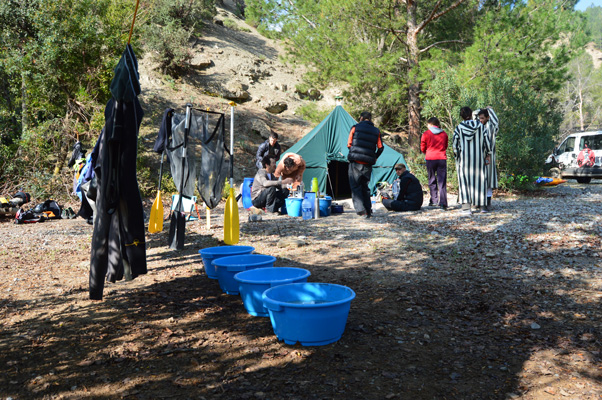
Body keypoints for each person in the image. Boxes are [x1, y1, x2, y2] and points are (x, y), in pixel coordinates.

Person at [453, 106, 491, 215]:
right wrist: (488, 153)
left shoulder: (459, 128)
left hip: (464, 160)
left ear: (462, 116)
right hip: (479, 159)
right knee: (480, 181)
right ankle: (483, 206)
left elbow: (455, 144)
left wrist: (457, 155)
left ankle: (466, 208)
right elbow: (487, 142)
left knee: (465, 182)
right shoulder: (480, 126)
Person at [347, 111, 384, 218]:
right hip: (368, 163)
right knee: (365, 186)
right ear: (370, 119)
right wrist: (375, 157)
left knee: (355, 186)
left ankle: (361, 211)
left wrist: (355, 153)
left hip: (356, 162)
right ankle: (368, 210)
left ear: (361, 118)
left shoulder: (355, 128)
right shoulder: (376, 131)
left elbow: (349, 144)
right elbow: (381, 147)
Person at [420, 117, 448, 209]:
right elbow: (445, 145)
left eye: (428, 124)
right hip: (441, 158)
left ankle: (434, 200)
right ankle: (443, 202)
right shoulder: (444, 134)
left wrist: (426, 152)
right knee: (442, 181)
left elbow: (422, 147)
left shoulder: (426, 134)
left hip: (430, 158)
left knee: (431, 179)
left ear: (431, 124)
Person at [477, 108, 499, 210]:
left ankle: (488, 201)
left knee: (489, 180)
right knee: (479, 179)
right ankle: (479, 201)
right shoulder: (476, 127)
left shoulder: (492, 127)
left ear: (487, 118)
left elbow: (496, 120)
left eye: (482, 118)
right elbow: (471, 115)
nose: (480, 120)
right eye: (479, 118)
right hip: (478, 157)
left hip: (489, 156)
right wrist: (480, 109)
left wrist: (489, 109)